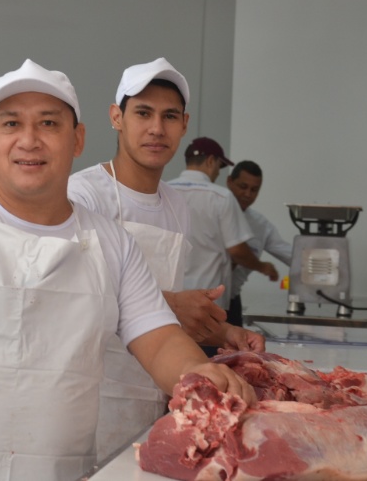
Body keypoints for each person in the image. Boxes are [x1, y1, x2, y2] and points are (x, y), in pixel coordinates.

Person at [0, 59, 256, 481]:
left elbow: (158, 337)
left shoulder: (111, 241)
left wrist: (198, 372)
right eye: (10, 125)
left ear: (77, 139)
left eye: (48, 124)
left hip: (58, 469)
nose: (29, 140)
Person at [68, 58, 265, 461]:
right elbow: (69, 300)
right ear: (116, 117)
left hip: (154, 396)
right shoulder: (84, 194)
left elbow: (167, 320)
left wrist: (222, 332)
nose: (157, 128)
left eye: (169, 116)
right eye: (143, 113)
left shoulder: (176, 207)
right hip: (87, 401)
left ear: (184, 125)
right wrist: (171, 306)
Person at [168, 138, 279, 335]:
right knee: (210, 361)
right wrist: (263, 267)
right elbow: (237, 250)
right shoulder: (221, 196)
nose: (218, 173)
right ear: (211, 161)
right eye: (219, 167)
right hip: (207, 301)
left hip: (171, 300)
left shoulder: (164, 191)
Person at [226, 160, 293, 325]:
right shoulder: (213, 212)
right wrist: (262, 266)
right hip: (202, 298)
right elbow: (235, 253)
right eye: (243, 187)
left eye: (254, 190)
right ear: (229, 182)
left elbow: (290, 254)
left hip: (232, 299)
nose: (248, 194)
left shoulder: (260, 225)